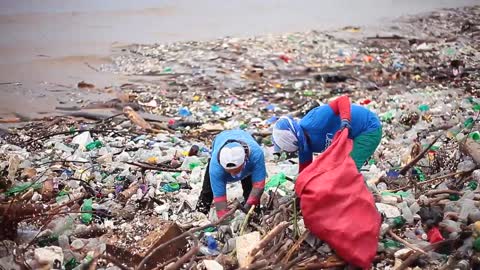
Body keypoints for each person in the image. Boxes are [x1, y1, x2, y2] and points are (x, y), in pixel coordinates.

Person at [272, 95, 381, 172]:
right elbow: (305, 170)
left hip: (368, 128)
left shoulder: (315, 121)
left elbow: (342, 100)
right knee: (336, 172)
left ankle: (360, 199)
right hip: (351, 138)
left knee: (350, 170)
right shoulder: (304, 147)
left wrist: (345, 120)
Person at [196, 130, 267, 218]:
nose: (233, 175)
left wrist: (247, 208)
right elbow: (220, 198)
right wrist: (223, 222)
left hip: (246, 153)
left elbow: (258, 186)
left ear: (245, 160)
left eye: (236, 171)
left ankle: (253, 217)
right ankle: (200, 214)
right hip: (221, 139)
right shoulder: (215, 166)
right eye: (229, 171)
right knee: (207, 192)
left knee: (250, 190)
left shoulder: (256, 154)